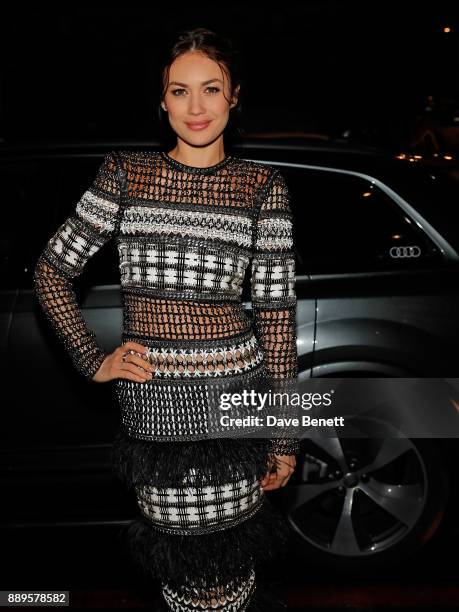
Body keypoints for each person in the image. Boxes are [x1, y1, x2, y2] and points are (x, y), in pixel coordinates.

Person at [33, 27, 300, 611]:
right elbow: (51, 271)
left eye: (211, 90)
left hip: (240, 410)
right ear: (163, 101)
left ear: (234, 97)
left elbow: (278, 319)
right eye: (180, 92)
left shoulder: (262, 186)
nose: (196, 107)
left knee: (233, 574)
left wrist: (284, 434)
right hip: (156, 415)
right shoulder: (126, 175)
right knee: (181, 570)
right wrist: (91, 358)